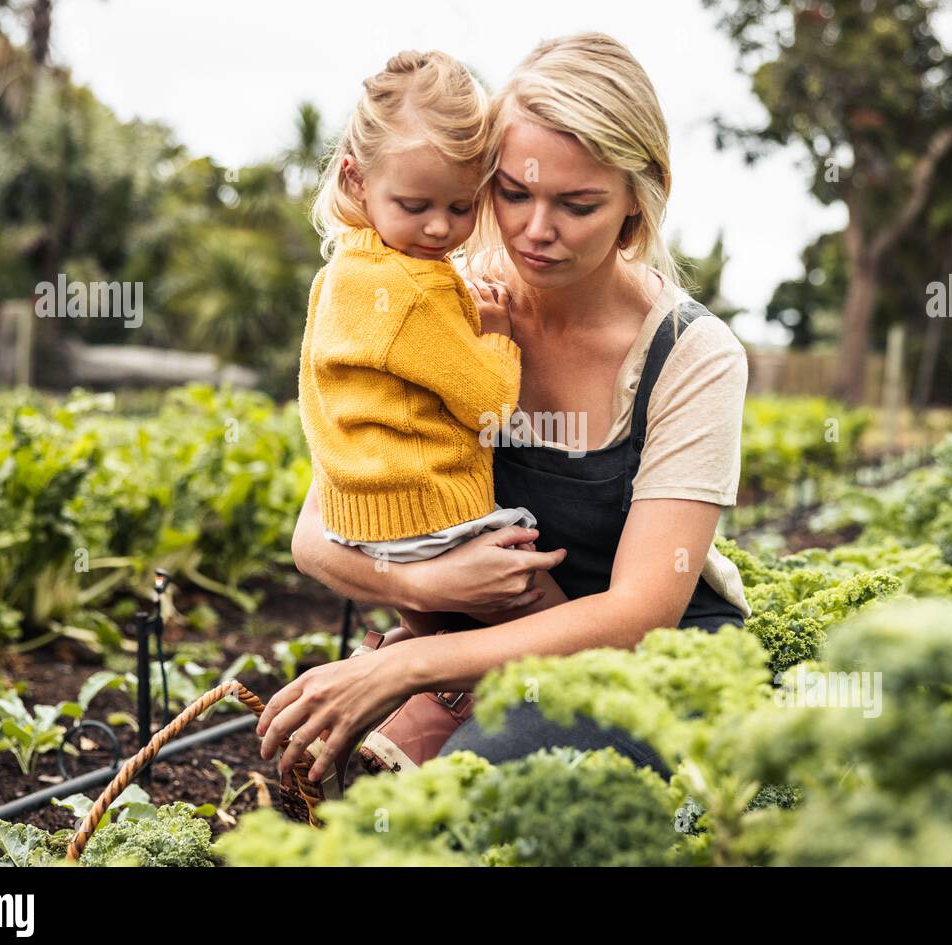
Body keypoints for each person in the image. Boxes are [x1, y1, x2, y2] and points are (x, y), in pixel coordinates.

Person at [260, 31, 751, 787]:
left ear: (637, 200)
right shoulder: (450, 304)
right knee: (337, 785)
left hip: (650, 662)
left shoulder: (690, 357)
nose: (534, 229)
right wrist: (428, 590)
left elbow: (634, 617)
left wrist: (413, 662)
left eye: (577, 204)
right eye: (514, 193)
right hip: (486, 638)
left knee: (479, 785)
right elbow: (316, 535)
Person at [295, 49, 571, 790]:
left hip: (361, 508)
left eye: (459, 206)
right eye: (416, 207)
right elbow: (487, 401)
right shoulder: (416, 290)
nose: (441, 229)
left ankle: (428, 689)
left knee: (441, 613)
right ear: (356, 178)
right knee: (534, 594)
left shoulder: (341, 274)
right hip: (429, 504)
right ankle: (504, 694)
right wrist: (499, 340)